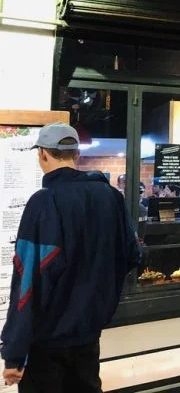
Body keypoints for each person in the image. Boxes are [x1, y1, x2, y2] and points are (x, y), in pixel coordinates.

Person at [1, 123, 141, 391]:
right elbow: (133, 255)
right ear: (76, 154)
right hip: (89, 336)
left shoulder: (44, 202)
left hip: (46, 344)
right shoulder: (111, 197)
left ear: (42, 154)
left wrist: (15, 351)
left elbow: (28, 280)